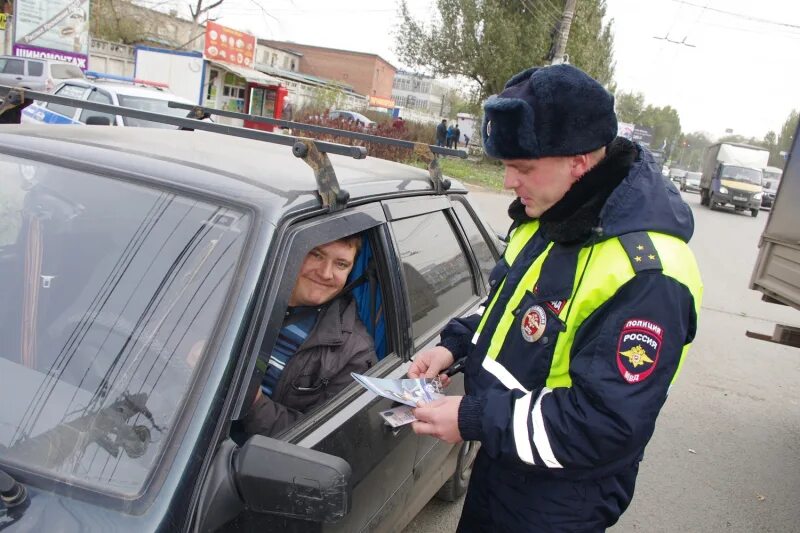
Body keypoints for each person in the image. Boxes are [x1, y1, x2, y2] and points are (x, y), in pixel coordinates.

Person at [408, 64, 702, 531]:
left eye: (522, 168)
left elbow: (606, 425)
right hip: (506, 460)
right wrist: (456, 345)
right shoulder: (553, 216)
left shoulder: (648, 274)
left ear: (579, 162)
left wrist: (475, 417)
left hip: (563, 498)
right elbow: (507, 309)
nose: (508, 183)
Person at [243, 236, 377, 436]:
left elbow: (326, 438)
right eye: (316, 255)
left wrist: (253, 402)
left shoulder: (354, 352)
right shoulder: (242, 294)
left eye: (341, 264)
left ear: (350, 272)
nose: (325, 273)